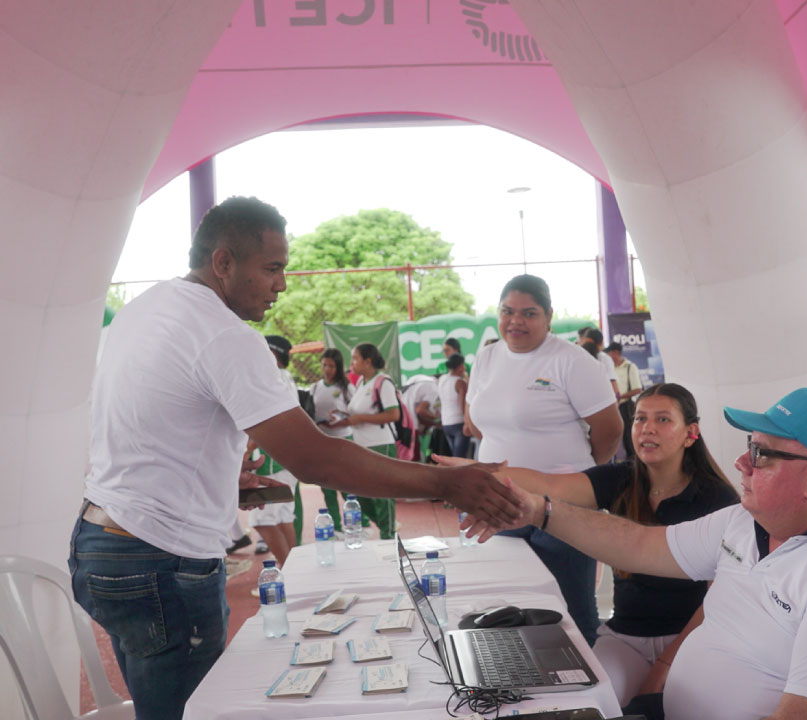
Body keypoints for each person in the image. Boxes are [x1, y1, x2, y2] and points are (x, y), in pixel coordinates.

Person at [68, 196, 521, 720]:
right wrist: (448, 484)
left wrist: (216, 476)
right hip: (161, 559)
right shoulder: (225, 335)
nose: (282, 284)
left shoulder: (144, 309)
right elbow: (316, 461)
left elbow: (141, 423)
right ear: (223, 263)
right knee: (187, 712)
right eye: (272, 268)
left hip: (101, 543)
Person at [463, 387, 807, 720]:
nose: (742, 462)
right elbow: (639, 544)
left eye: (760, 454)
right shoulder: (745, 523)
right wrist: (536, 510)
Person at [438, 383, 738, 704]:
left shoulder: (718, 499)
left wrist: (664, 664)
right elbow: (547, 484)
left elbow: (719, 597)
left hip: (692, 640)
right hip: (626, 638)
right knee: (593, 702)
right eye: (639, 419)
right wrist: (477, 473)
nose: (647, 429)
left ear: (690, 433)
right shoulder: (620, 479)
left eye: (663, 420)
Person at [466, 275, 622, 644]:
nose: (515, 321)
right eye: (507, 311)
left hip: (561, 506)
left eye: (529, 313)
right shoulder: (486, 357)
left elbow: (610, 429)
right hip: (497, 503)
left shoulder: (572, 361)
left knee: (570, 608)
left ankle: (585, 691)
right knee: (504, 608)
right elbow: (476, 422)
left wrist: (582, 475)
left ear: (549, 316)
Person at [327, 342, 401, 539]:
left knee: (382, 494)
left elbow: (393, 415)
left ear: (368, 362)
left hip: (380, 443)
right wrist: (343, 416)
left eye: (355, 359)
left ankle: (388, 535)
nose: (352, 363)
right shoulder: (361, 383)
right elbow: (359, 412)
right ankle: (387, 525)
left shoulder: (383, 382)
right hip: (361, 445)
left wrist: (360, 419)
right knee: (356, 490)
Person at [245, 335, 299, 567]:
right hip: (287, 459)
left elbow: (271, 420)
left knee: (262, 519)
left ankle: (288, 572)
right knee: (283, 516)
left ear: (272, 354)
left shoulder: (270, 377)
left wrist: (248, 448)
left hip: (272, 462)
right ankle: (296, 570)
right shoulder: (285, 378)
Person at [299, 347, 354, 536]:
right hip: (322, 439)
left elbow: (355, 413)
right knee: (327, 485)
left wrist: (340, 418)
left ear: (338, 367)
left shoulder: (346, 388)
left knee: (348, 484)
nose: (327, 369)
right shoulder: (315, 387)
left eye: (331, 366)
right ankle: (335, 526)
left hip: (343, 438)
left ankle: (355, 523)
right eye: (324, 365)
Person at [606, 341, 644, 459]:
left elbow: (638, 389)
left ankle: (634, 465)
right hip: (611, 408)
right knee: (611, 440)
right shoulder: (608, 368)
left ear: (616, 353)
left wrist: (618, 397)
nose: (607, 357)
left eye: (609, 353)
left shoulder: (629, 367)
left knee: (629, 439)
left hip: (625, 407)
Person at [402, 373, 440, 462]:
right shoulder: (434, 387)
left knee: (406, 458)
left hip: (402, 422)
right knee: (415, 459)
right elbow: (420, 410)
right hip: (412, 425)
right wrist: (435, 419)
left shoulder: (418, 379)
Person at [438, 353, 470, 457]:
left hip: (446, 423)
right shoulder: (460, 383)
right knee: (460, 459)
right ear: (460, 366)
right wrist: (468, 423)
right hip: (459, 424)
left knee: (455, 457)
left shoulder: (442, 379)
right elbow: (463, 406)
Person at [579, 326, 620, 399]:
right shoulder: (604, 359)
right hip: (600, 401)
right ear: (601, 343)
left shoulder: (577, 357)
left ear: (583, 340)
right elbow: (614, 387)